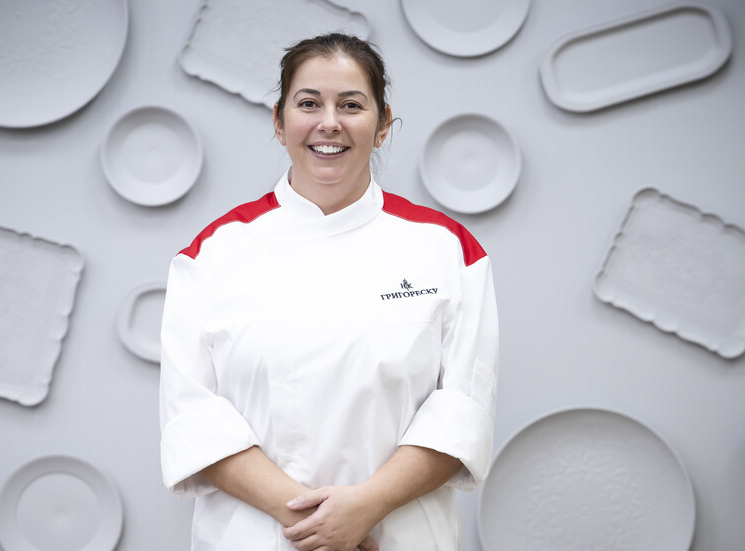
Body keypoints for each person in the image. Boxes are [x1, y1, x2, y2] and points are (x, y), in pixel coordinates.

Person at [159, 33, 499, 551]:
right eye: (309, 103)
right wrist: (321, 524)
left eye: (352, 105)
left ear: (382, 125)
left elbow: (462, 413)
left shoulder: (448, 250)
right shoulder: (212, 254)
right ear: (279, 122)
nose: (330, 123)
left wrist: (367, 507)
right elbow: (193, 417)